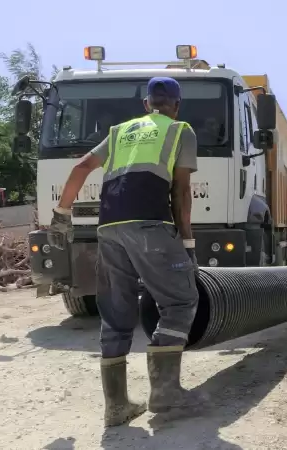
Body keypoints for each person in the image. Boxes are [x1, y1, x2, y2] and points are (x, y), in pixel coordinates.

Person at [46, 77, 202, 427]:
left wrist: (61, 215)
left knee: (116, 316)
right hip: (149, 225)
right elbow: (181, 192)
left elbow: (80, 168)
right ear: (175, 105)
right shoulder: (180, 130)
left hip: (109, 229)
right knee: (180, 302)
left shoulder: (119, 132)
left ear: (147, 104)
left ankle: (116, 407)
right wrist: (187, 244)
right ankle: (165, 392)